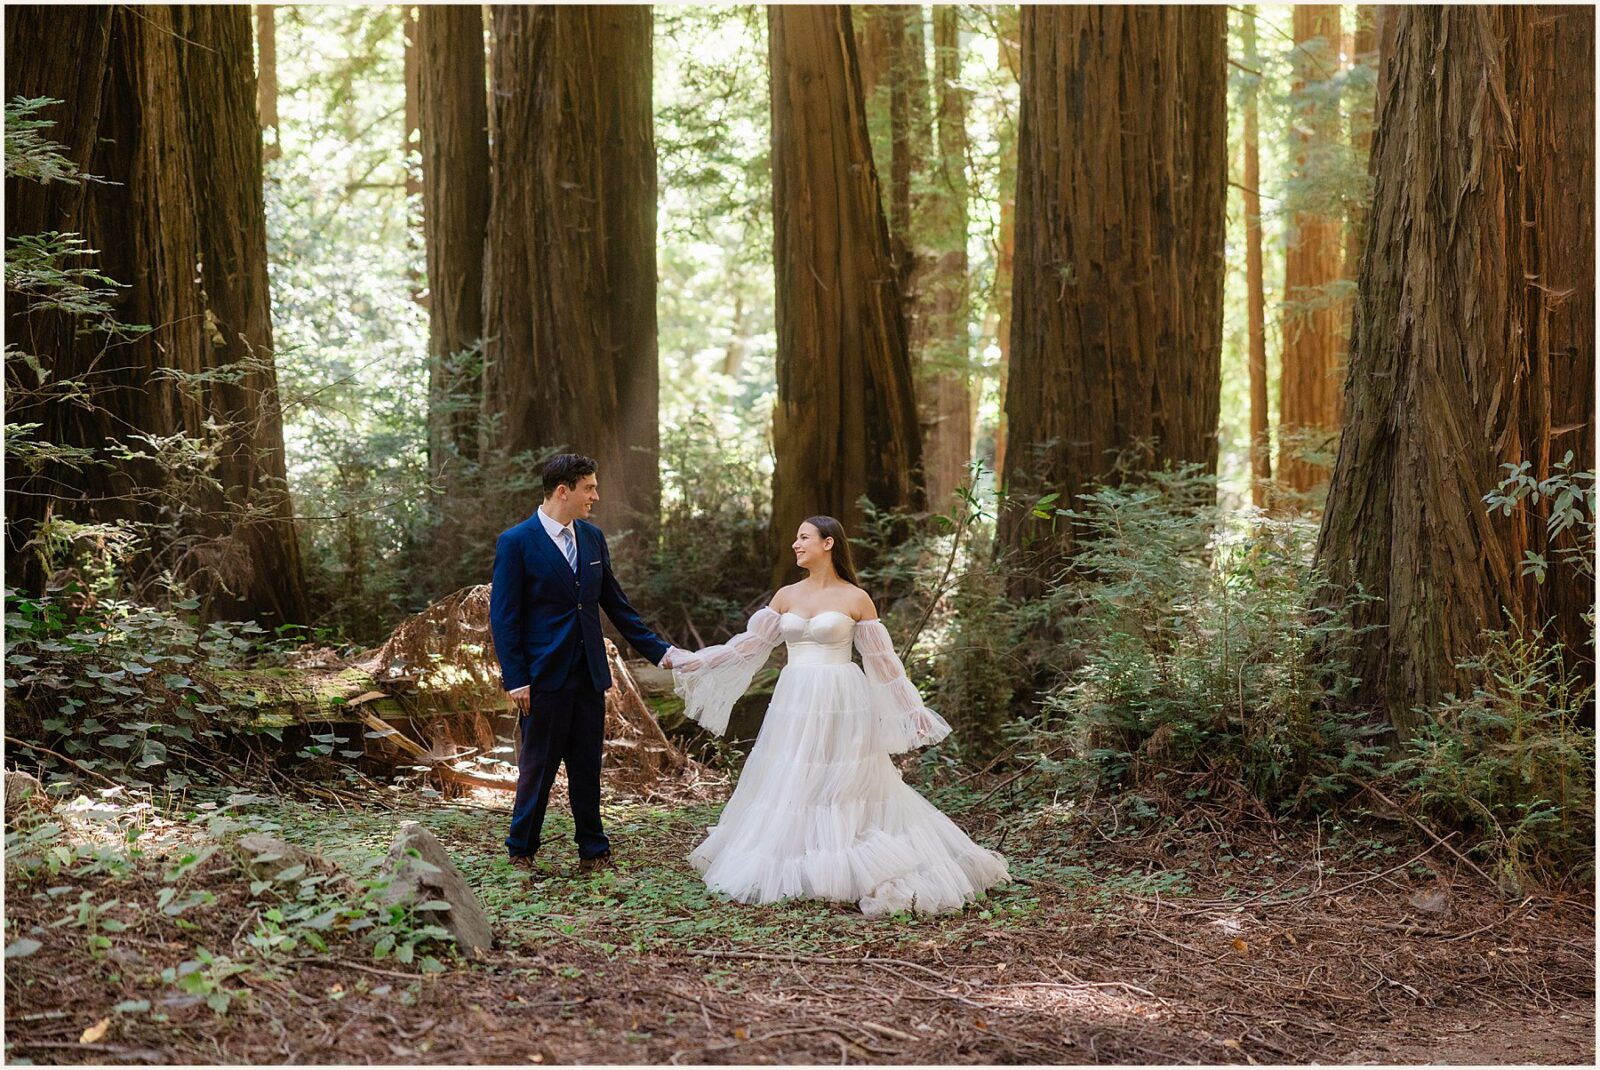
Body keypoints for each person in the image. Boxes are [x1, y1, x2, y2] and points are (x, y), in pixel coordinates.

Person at [666, 516, 1009, 915]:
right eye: (796, 537)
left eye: (804, 537)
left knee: (843, 779)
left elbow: (884, 663)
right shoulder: (786, 596)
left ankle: (847, 856)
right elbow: (747, 647)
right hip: (795, 698)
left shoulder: (855, 598)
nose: (795, 544)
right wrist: (692, 662)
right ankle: (803, 859)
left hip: (842, 698)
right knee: (795, 773)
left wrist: (912, 710)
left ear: (828, 543)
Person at [489, 453, 675, 872]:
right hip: (542, 677)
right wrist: (516, 678)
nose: (596, 496)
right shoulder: (516, 542)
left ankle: (594, 851)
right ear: (563, 491)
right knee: (538, 768)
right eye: (589, 488)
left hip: (589, 673)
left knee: (587, 768)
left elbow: (616, 604)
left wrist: (660, 651)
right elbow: (504, 616)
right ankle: (521, 850)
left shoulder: (592, 538)